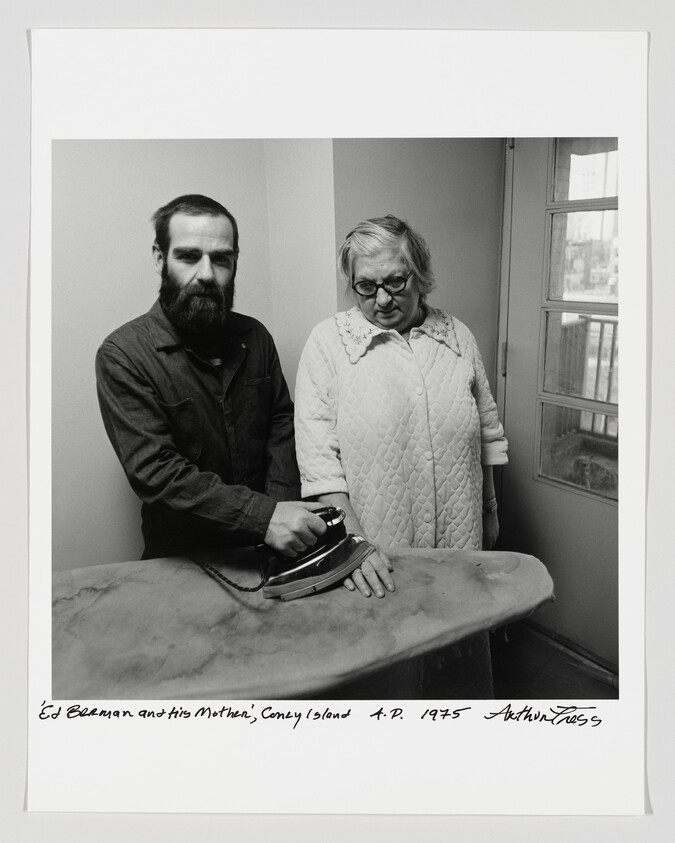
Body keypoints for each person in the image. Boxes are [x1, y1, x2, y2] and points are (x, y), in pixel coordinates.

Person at [96, 194, 326, 561]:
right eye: (188, 256)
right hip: (183, 562)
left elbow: (281, 425)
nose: (206, 274)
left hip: (273, 551)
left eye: (221, 259)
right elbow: (156, 473)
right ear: (160, 257)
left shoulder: (256, 338)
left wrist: (282, 515)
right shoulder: (123, 355)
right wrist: (265, 518)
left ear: (235, 262)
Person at [295, 215, 508, 601]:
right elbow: (319, 467)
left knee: (458, 640)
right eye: (366, 286)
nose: (381, 299)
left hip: (460, 539)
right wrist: (354, 547)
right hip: (373, 555)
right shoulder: (328, 344)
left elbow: (487, 434)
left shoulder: (458, 336)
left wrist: (489, 510)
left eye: (396, 281)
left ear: (420, 275)